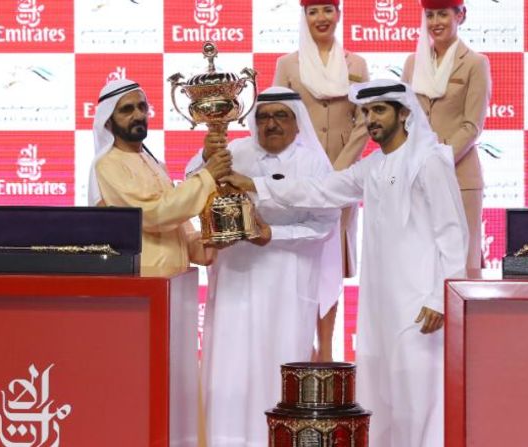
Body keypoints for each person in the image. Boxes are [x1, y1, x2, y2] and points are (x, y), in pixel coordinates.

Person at [222, 79, 468, 447]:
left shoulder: (430, 160)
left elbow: (453, 232)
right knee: (382, 392)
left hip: (421, 303)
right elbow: (320, 190)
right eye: (367, 112)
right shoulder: (372, 167)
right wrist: (255, 184)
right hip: (382, 303)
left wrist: (439, 297)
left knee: (421, 395)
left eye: (380, 110)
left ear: (404, 114)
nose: (372, 119)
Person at [187, 87, 342, 447]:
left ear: (296, 121)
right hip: (235, 282)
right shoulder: (234, 152)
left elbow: (324, 225)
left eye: (280, 116)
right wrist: (206, 154)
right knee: (230, 365)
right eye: (262, 117)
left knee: (279, 363)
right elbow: (193, 186)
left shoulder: (314, 163)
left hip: (288, 283)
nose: (270, 124)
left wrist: (274, 234)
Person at [273, 0, 371, 361]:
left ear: (339, 15)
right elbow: (276, 118)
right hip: (300, 178)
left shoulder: (355, 64)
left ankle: (327, 350)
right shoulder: (288, 64)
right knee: (301, 260)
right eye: (314, 11)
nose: (321, 18)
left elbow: (365, 120)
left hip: (342, 179)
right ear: (304, 17)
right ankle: (301, 346)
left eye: (328, 10)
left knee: (331, 262)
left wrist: (341, 170)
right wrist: (306, 168)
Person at [88, 78, 232, 274]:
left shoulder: (154, 163)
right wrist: (207, 175)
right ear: (108, 121)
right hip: (141, 285)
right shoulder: (107, 165)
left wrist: (211, 241)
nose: (138, 115)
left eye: (142, 107)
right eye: (127, 110)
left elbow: (180, 228)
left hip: (174, 283)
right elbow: (153, 214)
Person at [401, 0, 491, 271]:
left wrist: (437, 159)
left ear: (460, 16)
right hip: (416, 175)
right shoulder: (412, 62)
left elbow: (472, 125)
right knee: (420, 263)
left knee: (462, 264)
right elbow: (405, 118)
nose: (436, 22)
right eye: (430, 15)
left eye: (443, 14)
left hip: (459, 174)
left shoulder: (475, 63)